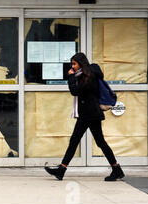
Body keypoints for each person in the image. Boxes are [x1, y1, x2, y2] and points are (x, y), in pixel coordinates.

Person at [45, 52, 124, 181]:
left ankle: (62, 170)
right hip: (89, 113)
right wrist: (73, 76)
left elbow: (75, 91)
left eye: (74, 64)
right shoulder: (84, 75)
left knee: (78, 141)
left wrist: (70, 78)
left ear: (81, 64)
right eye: (72, 64)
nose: (73, 66)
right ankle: (116, 169)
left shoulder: (88, 76)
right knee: (96, 142)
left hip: (89, 114)